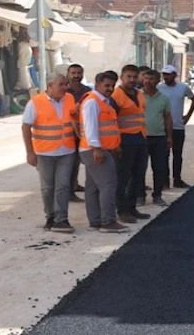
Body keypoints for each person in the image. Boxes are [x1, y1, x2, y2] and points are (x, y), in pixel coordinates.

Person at [21, 73, 77, 233]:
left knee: (63, 185)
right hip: (44, 152)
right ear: (50, 86)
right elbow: (26, 127)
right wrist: (29, 152)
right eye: (61, 84)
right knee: (48, 187)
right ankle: (50, 217)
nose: (65, 87)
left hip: (67, 150)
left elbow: (75, 120)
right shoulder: (35, 103)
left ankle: (62, 219)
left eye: (66, 84)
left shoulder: (70, 99)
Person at [78, 71, 129, 233]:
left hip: (98, 149)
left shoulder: (103, 102)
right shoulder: (93, 102)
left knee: (92, 187)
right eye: (106, 85)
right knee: (108, 184)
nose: (109, 88)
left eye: (112, 86)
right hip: (96, 150)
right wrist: (97, 149)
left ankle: (95, 221)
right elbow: (90, 127)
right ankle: (108, 222)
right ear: (97, 84)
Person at [111, 65, 151, 223]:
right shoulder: (116, 96)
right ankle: (122, 210)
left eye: (135, 77)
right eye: (129, 77)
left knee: (138, 176)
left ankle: (132, 207)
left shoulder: (140, 94)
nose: (132, 80)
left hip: (140, 139)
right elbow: (112, 121)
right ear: (122, 78)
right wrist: (116, 144)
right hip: (124, 141)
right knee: (123, 177)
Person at [158, 65, 194, 189]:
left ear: (175, 75)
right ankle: (165, 181)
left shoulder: (183, 88)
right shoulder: (159, 88)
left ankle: (177, 179)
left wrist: (187, 116)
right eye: (164, 74)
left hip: (178, 126)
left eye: (169, 74)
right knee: (164, 155)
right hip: (163, 127)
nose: (166, 77)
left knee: (177, 155)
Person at [142, 69, 173, 206]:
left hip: (159, 137)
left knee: (159, 168)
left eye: (151, 79)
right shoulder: (137, 96)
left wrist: (169, 137)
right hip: (141, 137)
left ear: (157, 81)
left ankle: (157, 195)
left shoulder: (164, 98)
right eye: (146, 78)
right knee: (139, 169)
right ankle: (139, 195)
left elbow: (167, 118)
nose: (148, 81)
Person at [66, 64, 92, 202]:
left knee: (78, 162)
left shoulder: (87, 91)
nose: (76, 76)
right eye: (73, 73)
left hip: (83, 133)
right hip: (67, 133)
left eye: (79, 73)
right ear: (68, 74)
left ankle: (74, 185)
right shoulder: (64, 91)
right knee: (70, 163)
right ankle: (69, 191)